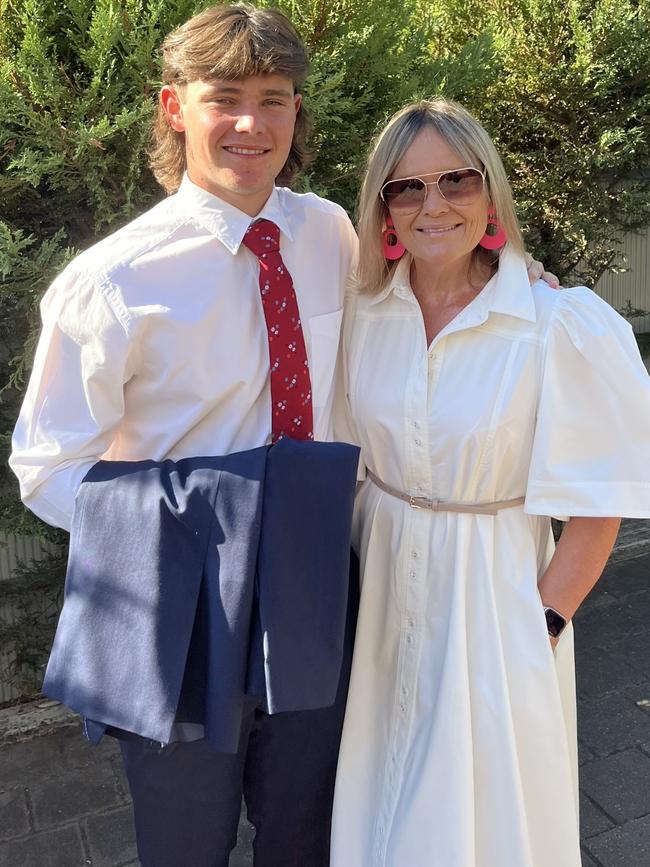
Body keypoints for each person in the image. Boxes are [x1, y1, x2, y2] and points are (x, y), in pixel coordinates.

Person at [9, 5, 360, 866]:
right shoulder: (112, 281)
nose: (252, 122)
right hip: (184, 607)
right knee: (185, 842)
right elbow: (45, 465)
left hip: (317, 579)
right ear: (174, 107)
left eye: (274, 98)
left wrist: (512, 269)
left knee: (307, 826)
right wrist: (182, 530)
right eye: (224, 97)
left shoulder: (329, 233)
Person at [330, 98, 650, 867]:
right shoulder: (361, 312)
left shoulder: (556, 322)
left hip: (494, 598)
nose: (433, 203)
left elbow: (599, 501)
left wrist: (540, 624)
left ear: (490, 192)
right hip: (377, 588)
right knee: (381, 799)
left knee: (486, 813)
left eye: (455, 180)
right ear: (383, 209)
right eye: (406, 188)